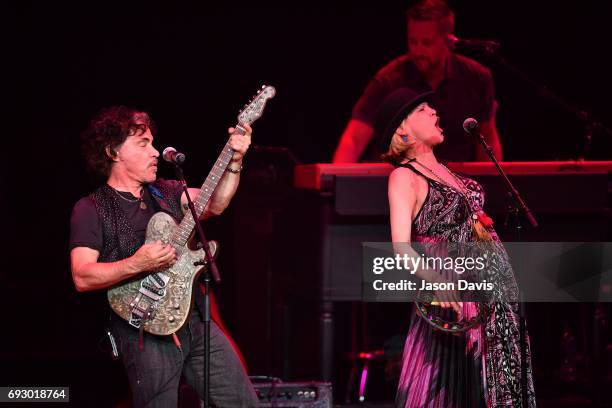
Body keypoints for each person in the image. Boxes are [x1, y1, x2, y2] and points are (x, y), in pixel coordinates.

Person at [69, 106, 259, 407]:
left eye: (154, 143)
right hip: (143, 329)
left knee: (241, 402)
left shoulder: (167, 191)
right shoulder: (91, 208)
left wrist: (235, 160)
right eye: (144, 144)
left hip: (196, 321)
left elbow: (216, 204)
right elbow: (82, 276)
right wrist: (138, 263)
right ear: (113, 152)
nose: (156, 152)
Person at [379, 88, 535, 406]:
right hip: (455, 298)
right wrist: (435, 280)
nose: (434, 112)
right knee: (454, 385)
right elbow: (401, 248)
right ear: (402, 129)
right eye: (423, 109)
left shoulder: (450, 173)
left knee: (499, 382)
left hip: (492, 296)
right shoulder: (403, 176)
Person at [333, 0, 502, 163]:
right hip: (401, 185)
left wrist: (495, 185)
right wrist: (336, 184)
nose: (418, 50)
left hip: (456, 185)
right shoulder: (388, 81)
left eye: (426, 43)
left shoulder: (477, 78)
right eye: (413, 41)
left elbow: (487, 140)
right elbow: (354, 139)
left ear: (449, 41)